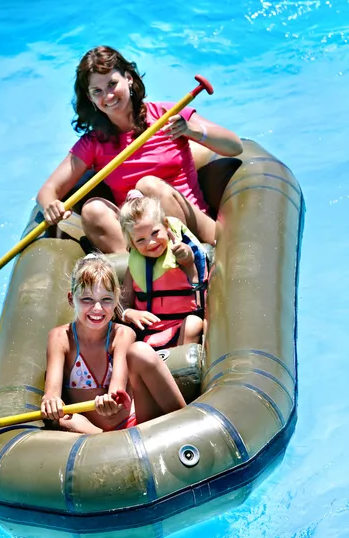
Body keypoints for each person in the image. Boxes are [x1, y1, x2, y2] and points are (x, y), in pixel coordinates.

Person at [36, 45, 243, 250]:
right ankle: (136, 273)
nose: (108, 96)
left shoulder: (167, 114)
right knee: (92, 209)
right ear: (90, 98)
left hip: (194, 228)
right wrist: (51, 206)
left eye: (112, 84)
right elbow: (48, 190)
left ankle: (186, 259)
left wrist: (191, 130)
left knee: (148, 186)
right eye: (97, 91)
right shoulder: (94, 143)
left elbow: (234, 146)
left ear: (128, 78)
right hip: (141, 241)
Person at [40, 254, 186, 432]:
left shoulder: (122, 334)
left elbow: (117, 392)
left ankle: (185, 422)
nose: (97, 308)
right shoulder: (60, 338)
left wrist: (112, 401)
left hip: (137, 422)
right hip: (93, 431)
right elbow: (52, 393)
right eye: (87, 299)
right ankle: (103, 440)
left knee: (141, 351)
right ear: (71, 299)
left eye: (106, 300)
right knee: (67, 421)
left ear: (116, 299)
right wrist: (52, 402)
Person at [119, 192, 208, 350]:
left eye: (155, 233)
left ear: (166, 225)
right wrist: (130, 314)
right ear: (132, 243)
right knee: (125, 336)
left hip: (182, 328)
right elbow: (123, 303)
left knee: (193, 324)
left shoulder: (179, 252)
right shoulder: (133, 268)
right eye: (141, 240)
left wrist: (184, 253)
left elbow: (187, 259)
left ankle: (180, 368)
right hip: (149, 337)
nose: (151, 242)